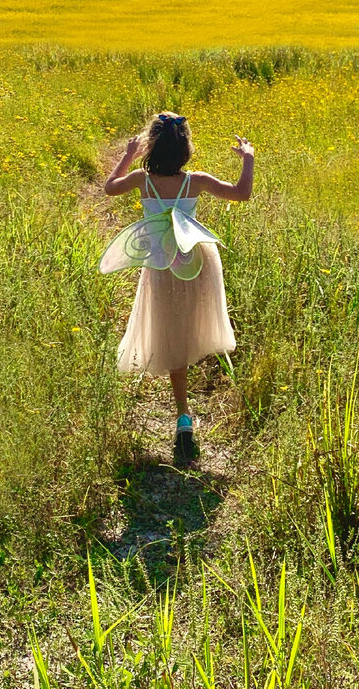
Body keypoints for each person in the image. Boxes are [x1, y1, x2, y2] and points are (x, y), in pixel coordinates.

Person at [100, 112, 254, 462]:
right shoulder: (195, 181)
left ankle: (183, 415)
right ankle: (187, 412)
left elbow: (109, 188)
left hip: (161, 266)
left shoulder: (142, 179)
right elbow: (242, 193)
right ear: (185, 147)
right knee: (189, 327)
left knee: (171, 331)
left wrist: (127, 156)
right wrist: (248, 158)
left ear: (152, 145)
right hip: (197, 261)